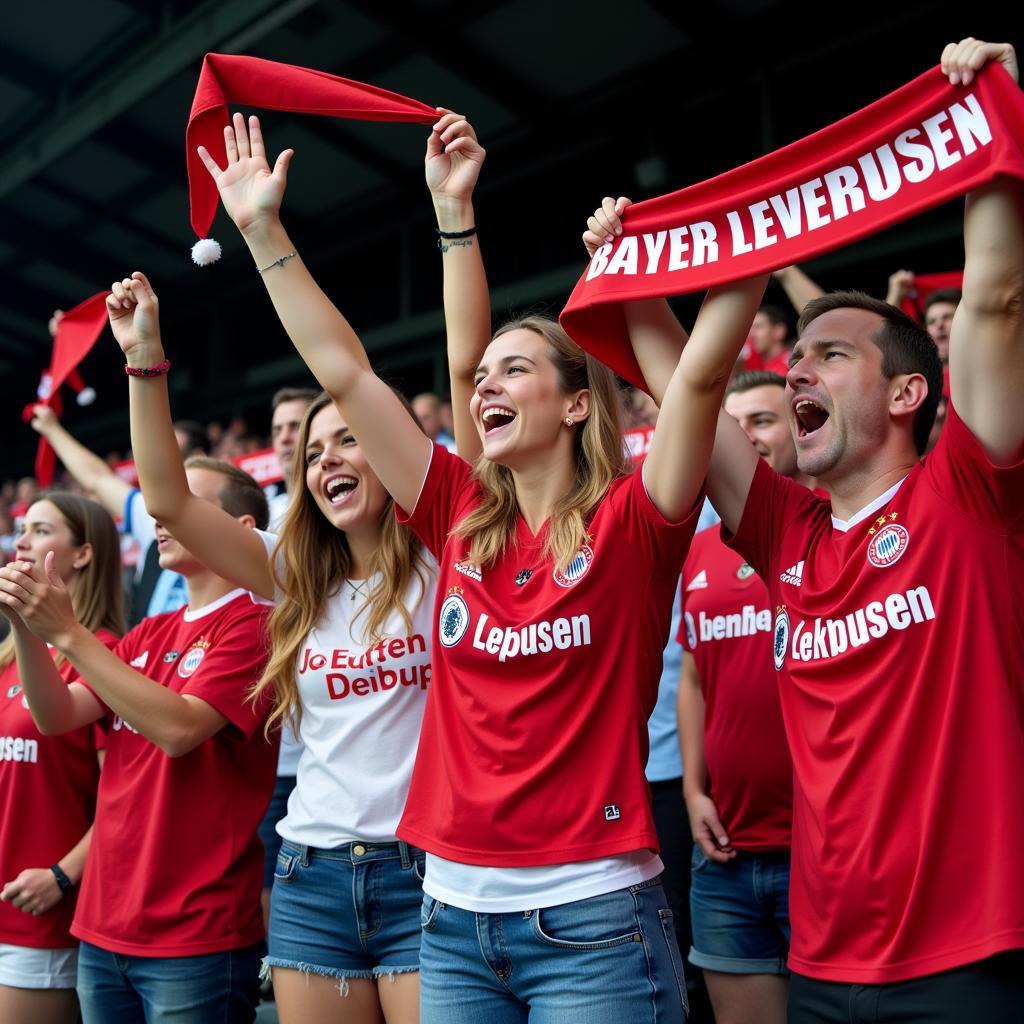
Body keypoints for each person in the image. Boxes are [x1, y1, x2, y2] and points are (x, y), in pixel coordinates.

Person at [197, 105, 766, 1023]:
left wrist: (753, 242)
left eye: (514, 371)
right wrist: (263, 230)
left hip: (595, 919)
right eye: (482, 375)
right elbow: (345, 373)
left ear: (580, 405)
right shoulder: (457, 513)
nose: (485, 386)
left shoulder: (636, 520)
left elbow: (697, 379)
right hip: (449, 923)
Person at [592, 37, 1024, 1023]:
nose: (797, 373)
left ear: (912, 392)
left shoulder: (967, 490)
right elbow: (680, 384)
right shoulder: (787, 533)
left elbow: (996, 295)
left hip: (967, 958)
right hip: (822, 962)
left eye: (832, 356)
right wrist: (631, 261)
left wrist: (989, 112)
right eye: (799, 358)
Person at [107, 269, 436, 1024]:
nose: (328, 461)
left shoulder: (441, 554)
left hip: (424, 869)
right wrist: (146, 357)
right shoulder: (290, 574)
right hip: (310, 875)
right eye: (314, 453)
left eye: (349, 440)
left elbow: (354, 371)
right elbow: (166, 499)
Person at [0, 419, 278, 1022]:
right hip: (103, 923)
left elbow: (178, 731)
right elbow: (56, 715)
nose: (160, 517)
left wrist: (69, 633)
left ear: (240, 530)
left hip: (194, 932)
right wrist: (28, 624)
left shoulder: (256, 625)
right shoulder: (150, 632)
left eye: (183, 503)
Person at [677, 371, 813, 1024]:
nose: (739, 436)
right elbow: (695, 675)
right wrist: (694, 791)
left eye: (758, 420)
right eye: (726, 424)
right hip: (726, 856)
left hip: (822, 853)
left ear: (799, 427)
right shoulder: (698, 552)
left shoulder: (830, 531)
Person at [0, 494, 123, 1024]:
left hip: (42, 914)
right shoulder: (12, 653)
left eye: (41, 530)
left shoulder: (105, 654)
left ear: (83, 554)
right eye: (19, 529)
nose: (20, 542)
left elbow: (124, 795)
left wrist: (61, 875)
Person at [29, 406, 189, 624]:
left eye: (172, 453)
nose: (156, 465)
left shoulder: (233, 533)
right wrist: (51, 429)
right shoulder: (155, 517)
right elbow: (96, 479)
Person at [267, 387, 319, 529]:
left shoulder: (340, 503)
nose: (284, 438)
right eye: (277, 430)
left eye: (295, 426)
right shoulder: (266, 514)